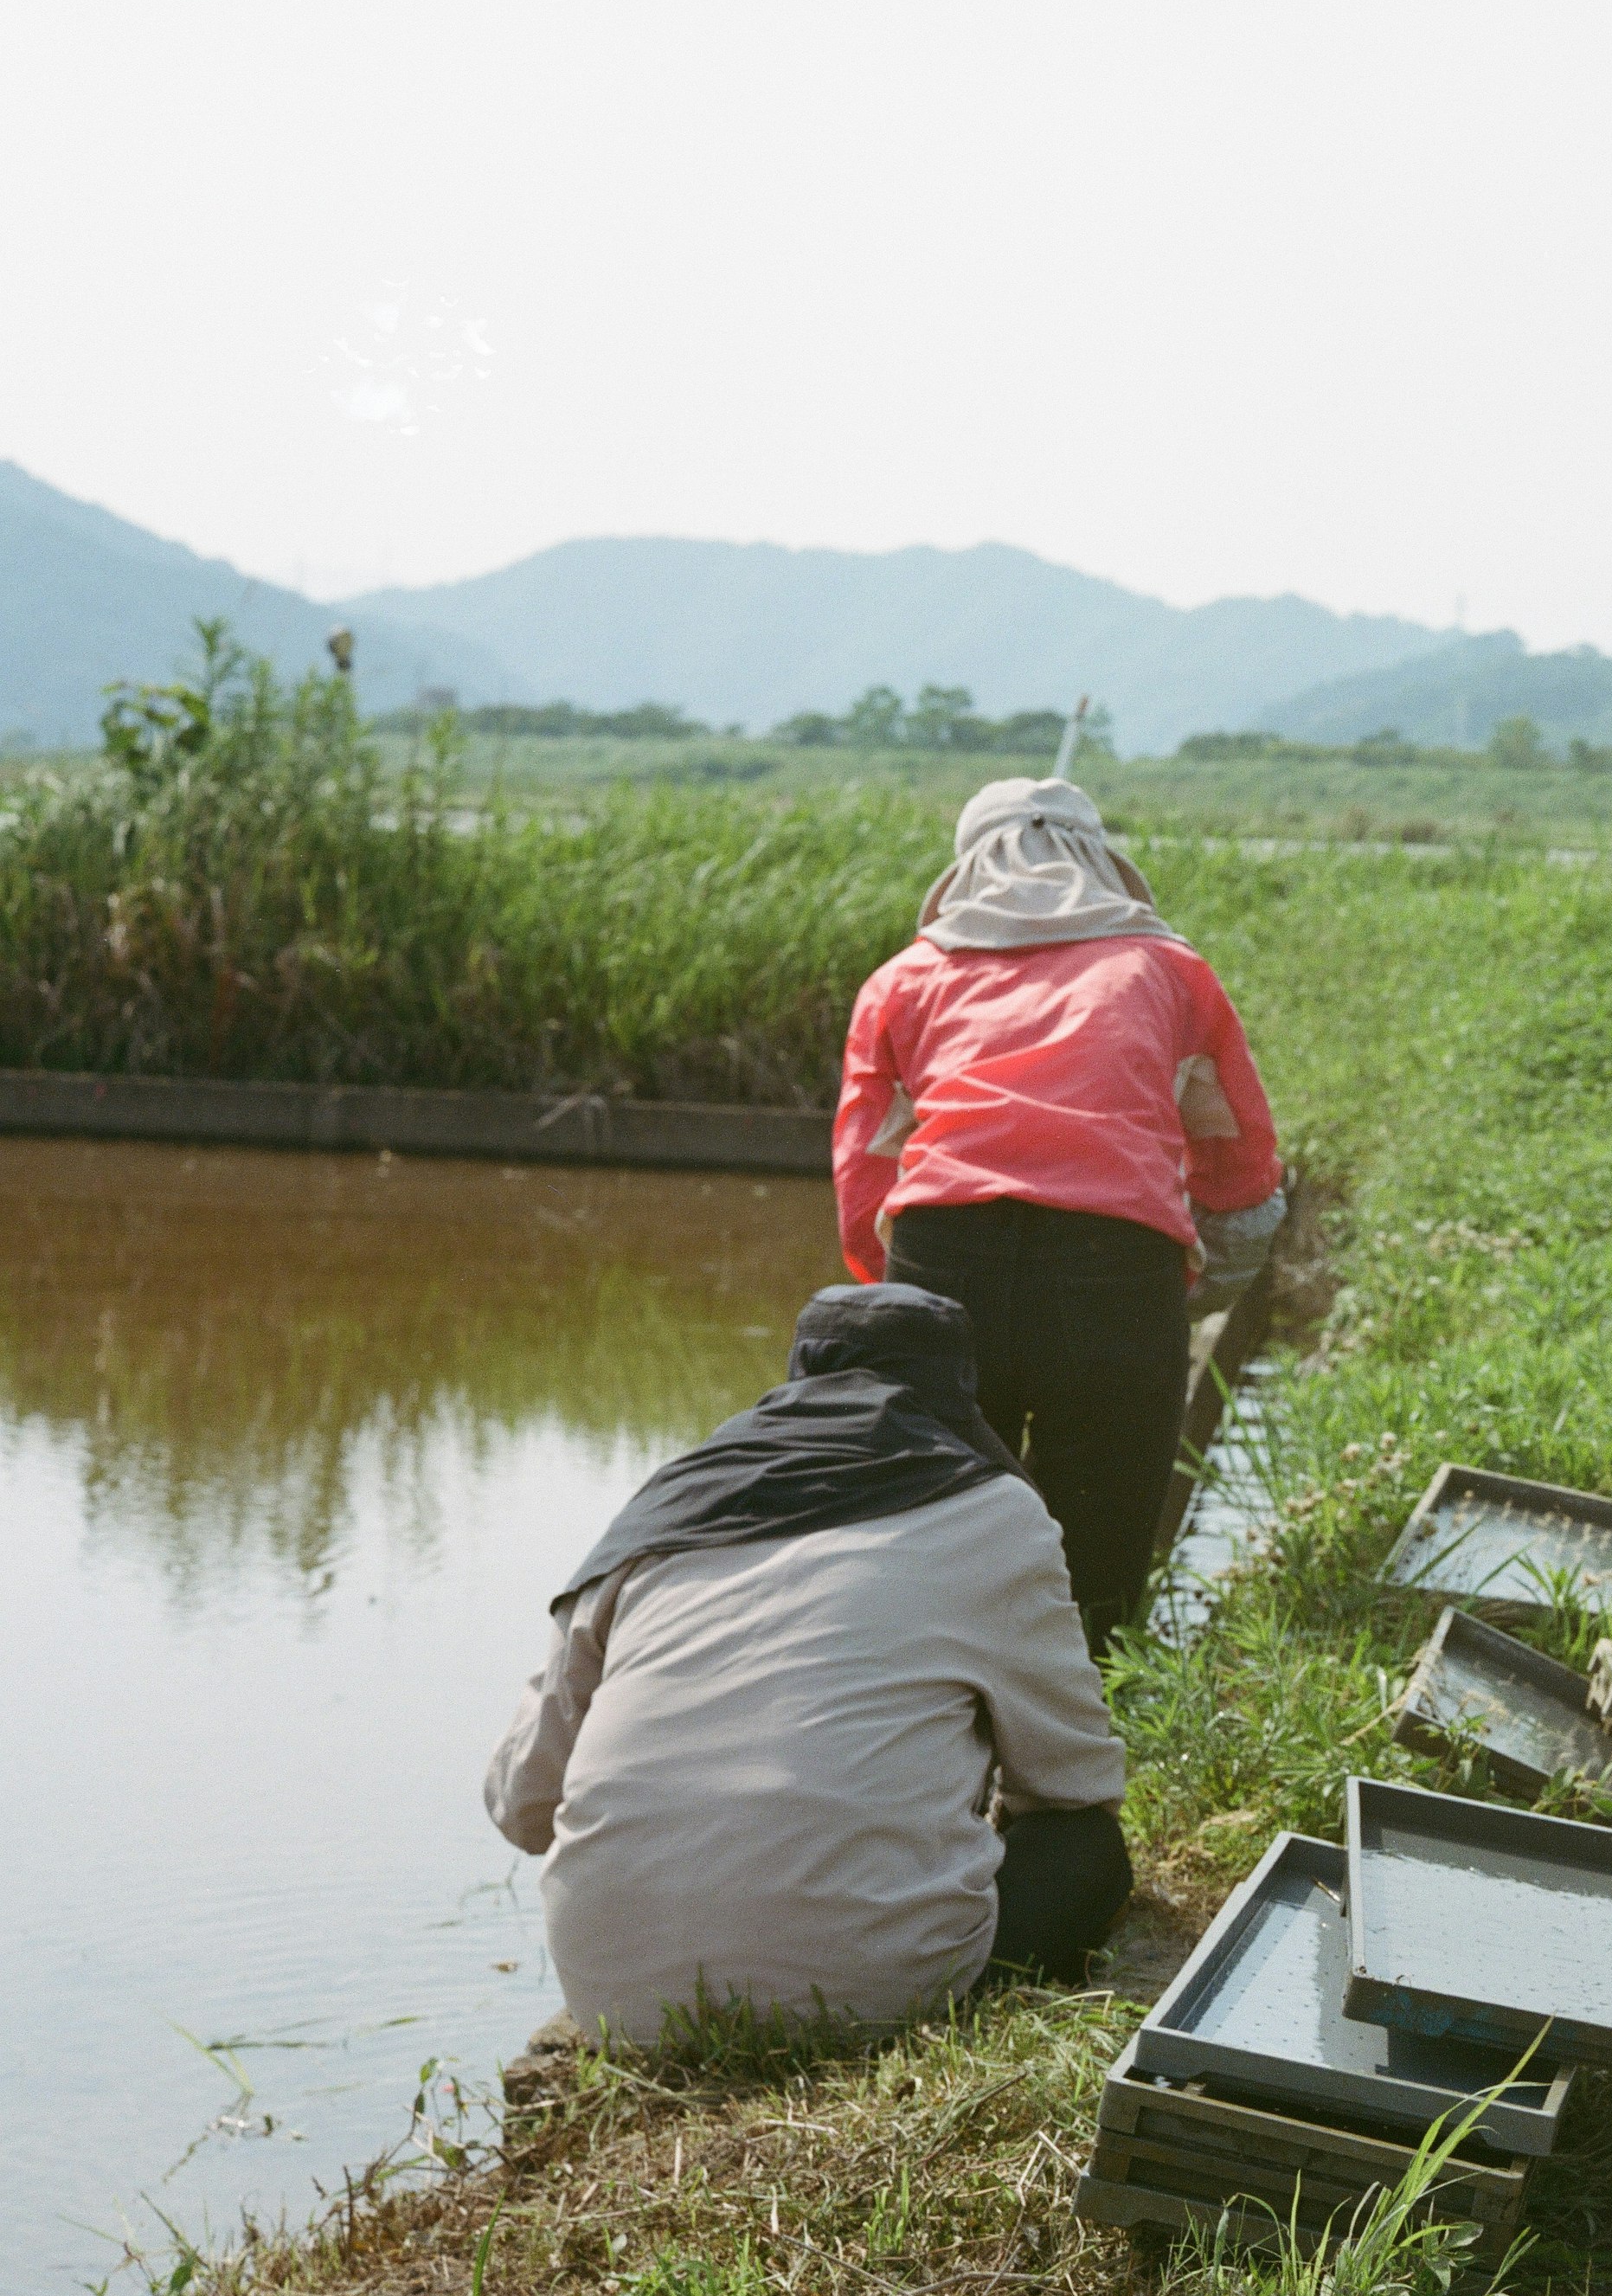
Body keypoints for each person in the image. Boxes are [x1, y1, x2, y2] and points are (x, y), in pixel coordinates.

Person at [485, 1282, 1133, 2042]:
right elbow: (1075, 1783)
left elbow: (523, 1805)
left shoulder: (655, 1521)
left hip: (618, 2000)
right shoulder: (996, 1515)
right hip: (866, 1993)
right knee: (1089, 1852)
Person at [835, 779, 1285, 1650]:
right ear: (1102, 863)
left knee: (942, 1546)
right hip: (1117, 1269)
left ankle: (944, 1761)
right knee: (1099, 1560)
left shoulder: (903, 981)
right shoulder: (1169, 972)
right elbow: (1239, 1165)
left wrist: (888, 1294)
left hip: (942, 1264)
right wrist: (1184, 1293)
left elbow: (866, 1175)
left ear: (965, 868)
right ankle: (1075, 1767)